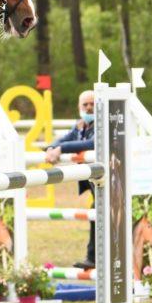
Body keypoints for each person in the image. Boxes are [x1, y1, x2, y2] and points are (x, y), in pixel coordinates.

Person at [44, 90, 96, 269]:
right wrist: (52, 147)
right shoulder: (80, 125)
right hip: (96, 182)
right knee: (95, 212)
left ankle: (94, 257)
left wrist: (61, 149)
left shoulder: (103, 124)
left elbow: (91, 144)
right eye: (85, 105)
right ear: (79, 107)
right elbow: (63, 139)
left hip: (112, 180)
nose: (89, 108)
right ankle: (93, 257)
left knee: (97, 212)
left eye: (92, 104)